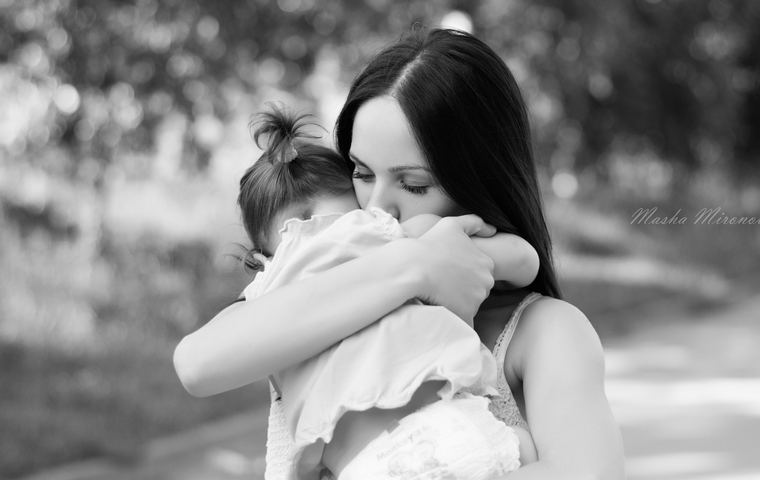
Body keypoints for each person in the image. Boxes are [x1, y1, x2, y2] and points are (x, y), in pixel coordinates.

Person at [174, 27, 625, 480]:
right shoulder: (318, 288)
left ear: (479, 181)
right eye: (361, 173)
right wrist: (413, 264)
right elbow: (197, 364)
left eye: (413, 185)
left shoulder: (544, 331)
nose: (376, 208)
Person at [236, 104, 539, 479]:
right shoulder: (377, 233)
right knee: (522, 447)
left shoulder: (263, 299)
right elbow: (524, 260)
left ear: (261, 258)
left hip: (363, 466)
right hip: (451, 429)